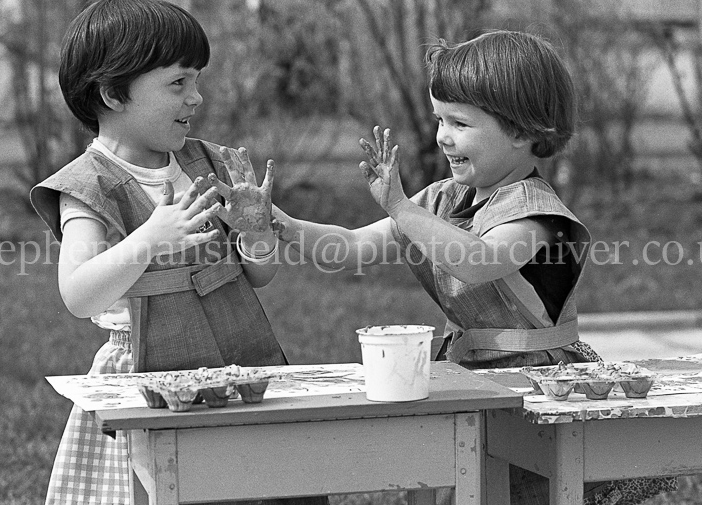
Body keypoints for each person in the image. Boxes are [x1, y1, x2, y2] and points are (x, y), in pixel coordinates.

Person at [265, 30, 677, 505]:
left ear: (522, 131)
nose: (442, 136)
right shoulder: (441, 200)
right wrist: (277, 221)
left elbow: (477, 261)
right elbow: (353, 248)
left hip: (534, 388)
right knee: (456, 484)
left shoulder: (536, 214)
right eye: (439, 119)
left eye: (459, 122)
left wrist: (402, 209)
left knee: (525, 489)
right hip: (467, 376)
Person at [29, 2, 326, 504]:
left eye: (197, 80)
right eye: (178, 83)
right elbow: (78, 294)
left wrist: (256, 234)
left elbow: (260, 275)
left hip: (239, 365)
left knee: (264, 485)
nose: (197, 96)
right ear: (112, 93)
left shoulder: (208, 163)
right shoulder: (88, 187)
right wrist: (148, 238)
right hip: (147, 382)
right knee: (168, 487)